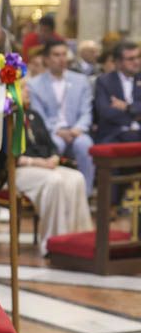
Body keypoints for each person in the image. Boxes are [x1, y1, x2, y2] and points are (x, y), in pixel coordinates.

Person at [15, 86, 94, 252]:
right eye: (22, 88)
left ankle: (77, 238)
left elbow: (51, 146)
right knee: (55, 181)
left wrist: (54, 158)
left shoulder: (34, 116)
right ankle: (53, 242)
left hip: (46, 165)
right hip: (21, 169)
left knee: (77, 178)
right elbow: (9, 156)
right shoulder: (5, 119)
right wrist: (39, 163)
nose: (28, 91)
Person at [28, 40, 95, 195]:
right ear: (46, 59)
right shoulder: (35, 84)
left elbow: (87, 111)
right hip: (52, 132)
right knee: (55, 145)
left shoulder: (80, 80)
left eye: (64, 54)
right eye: (56, 55)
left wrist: (78, 128)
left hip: (76, 130)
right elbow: (39, 116)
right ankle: (57, 194)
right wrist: (57, 130)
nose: (61, 59)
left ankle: (86, 194)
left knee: (85, 145)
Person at [94, 40, 141, 143]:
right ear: (118, 62)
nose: (137, 62)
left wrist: (127, 107)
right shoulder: (104, 81)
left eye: (138, 57)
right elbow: (105, 112)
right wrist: (135, 117)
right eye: (131, 59)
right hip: (114, 134)